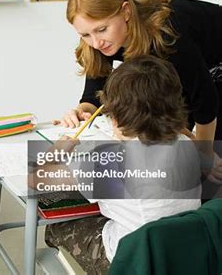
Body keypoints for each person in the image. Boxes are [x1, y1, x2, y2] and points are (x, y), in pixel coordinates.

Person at [43, 55, 201, 274]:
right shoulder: (189, 144)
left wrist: (61, 147)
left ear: (115, 117)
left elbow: (37, 179)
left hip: (132, 262)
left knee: (57, 226)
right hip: (182, 254)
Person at [56, 0, 222, 153]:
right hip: (194, 71)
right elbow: (94, 95)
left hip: (212, 63)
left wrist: (205, 155)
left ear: (126, 11)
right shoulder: (103, 41)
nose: (96, 43)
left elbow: (206, 104)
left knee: (210, 158)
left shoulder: (168, 37)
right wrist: (82, 111)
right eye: (85, 35)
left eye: (102, 29)